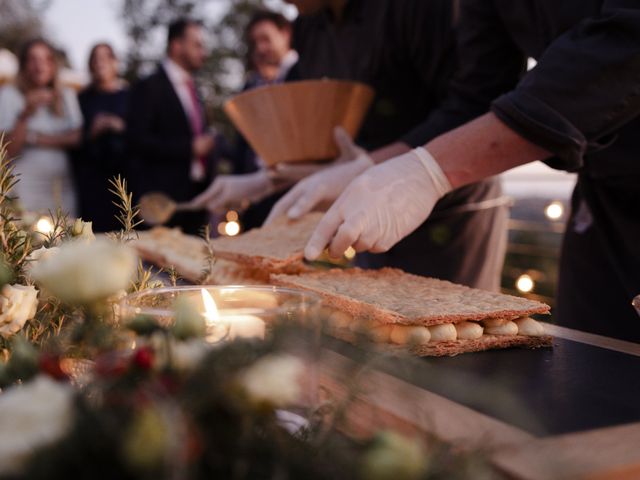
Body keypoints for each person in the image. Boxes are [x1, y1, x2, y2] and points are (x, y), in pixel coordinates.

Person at [301, 1, 640, 341]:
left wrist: (431, 170)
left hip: (468, 209)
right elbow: (475, 99)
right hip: (603, 193)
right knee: (587, 361)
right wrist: (378, 167)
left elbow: (625, 45)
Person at [264, 0, 509, 292]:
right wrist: (270, 178)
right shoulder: (308, 27)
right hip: (363, 205)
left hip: (450, 210)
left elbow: (474, 106)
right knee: (370, 327)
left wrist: (387, 167)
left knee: (452, 329)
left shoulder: (418, 8)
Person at [191, 10, 299, 230]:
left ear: (286, 33)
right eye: (255, 42)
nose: (260, 48)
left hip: (295, 191)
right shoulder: (251, 87)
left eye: (266, 39)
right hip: (255, 195)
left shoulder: (304, 75)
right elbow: (243, 142)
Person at [127, 18, 215, 234]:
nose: (203, 52)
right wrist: (189, 148)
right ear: (176, 46)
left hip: (196, 198)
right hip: (161, 202)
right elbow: (137, 140)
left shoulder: (195, 89)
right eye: (197, 45)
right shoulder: (149, 87)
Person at [0, 38, 82, 216]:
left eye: (46, 59)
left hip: (62, 186)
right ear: (23, 65)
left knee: (67, 239)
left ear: (53, 65)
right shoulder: (9, 94)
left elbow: (76, 137)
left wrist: (33, 138)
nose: (40, 65)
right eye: (33, 59)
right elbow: (9, 149)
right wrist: (27, 112)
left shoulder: (66, 94)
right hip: (25, 187)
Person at [76, 43, 129, 232]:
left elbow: (141, 134)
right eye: (95, 59)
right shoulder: (82, 98)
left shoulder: (129, 96)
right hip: (92, 181)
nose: (100, 63)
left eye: (105, 58)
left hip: (124, 177)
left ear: (115, 62)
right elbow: (74, 138)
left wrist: (119, 125)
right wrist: (93, 131)